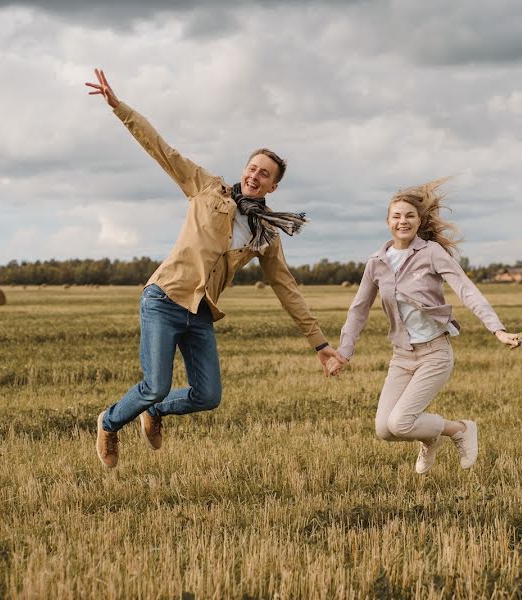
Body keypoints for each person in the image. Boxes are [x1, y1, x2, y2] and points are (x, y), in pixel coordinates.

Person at [85, 68, 341, 468]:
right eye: (252, 168)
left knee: (208, 396)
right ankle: (110, 422)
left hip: (201, 312)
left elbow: (286, 287)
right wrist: (120, 107)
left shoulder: (266, 234)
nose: (255, 176)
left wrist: (321, 345)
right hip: (165, 297)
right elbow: (161, 149)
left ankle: (156, 413)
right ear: (244, 170)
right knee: (156, 385)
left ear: (274, 187)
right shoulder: (206, 187)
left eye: (265, 175)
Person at [326, 179, 520, 474]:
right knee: (384, 429)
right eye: (396, 216)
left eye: (409, 216)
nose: (402, 221)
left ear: (419, 221)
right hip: (402, 356)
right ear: (388, 221)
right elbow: (358, 310)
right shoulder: (376, 262)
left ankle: (460, 429)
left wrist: (497, 329)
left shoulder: (431, 253)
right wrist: (343, 353)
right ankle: (430, 437)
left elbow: (466, 289)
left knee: (400, 422)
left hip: (434, 353)